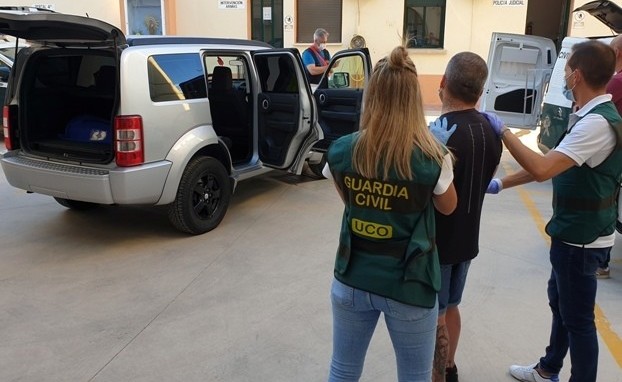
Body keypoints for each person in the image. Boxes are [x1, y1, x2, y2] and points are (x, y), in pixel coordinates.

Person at [486, 40, 622, 382]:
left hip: (582, 238)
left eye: (566, 71)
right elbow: (550, 165)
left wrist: (503, 132)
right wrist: (503, 184)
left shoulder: (596, 125)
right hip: (574, 232)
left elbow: (543, 169)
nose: (563, 76)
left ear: (577, 76)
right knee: (561, 305)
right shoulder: (587, 116)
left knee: (577, 320)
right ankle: (548, 369)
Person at [322, 45, 457, 382]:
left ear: (373, 96)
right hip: (410, 284)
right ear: (412, 99)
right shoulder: (433, 156)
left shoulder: (343, 149)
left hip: (353, 276)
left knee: (343, 369)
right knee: (414, 375)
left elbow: (348, 199)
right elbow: (448, 206)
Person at [428, 52, 503, 382]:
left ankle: (438, 376)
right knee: (452, 306)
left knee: (437, 316)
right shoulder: (491, 131)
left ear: (443, 84)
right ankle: (450, 367)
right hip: (467, 242)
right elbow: (485, 178)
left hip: (438, 244)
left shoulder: (438, 136)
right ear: (480, 90)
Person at [598, 34, 622, 279]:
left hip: (610, 154)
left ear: (616, 53)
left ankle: (601, 262)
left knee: (607, 205)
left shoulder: (617, 82)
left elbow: (594, 106)